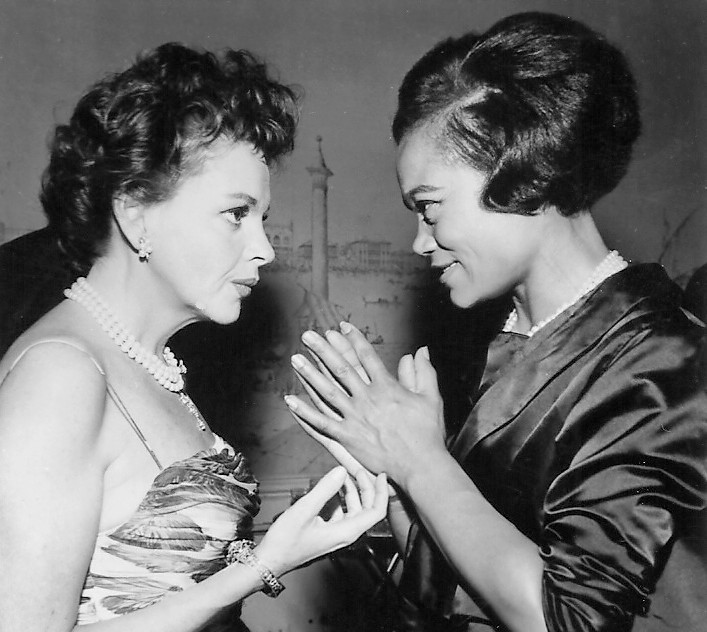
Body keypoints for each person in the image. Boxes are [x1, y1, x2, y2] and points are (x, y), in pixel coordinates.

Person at [284, 12, 707, 632]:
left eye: (430, 208)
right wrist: (397, 483)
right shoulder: (510, 346)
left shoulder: (667, 360)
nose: (419, 242)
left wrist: (421, 462)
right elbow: (463, 583)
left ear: (525, 172)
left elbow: (566, 620)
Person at [0, 43, 389, 632]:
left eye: (261, 218)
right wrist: (263, 564)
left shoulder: (152, 362)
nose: (265, 249)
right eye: (236, 214)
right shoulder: (60, 375)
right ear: (136, 214)